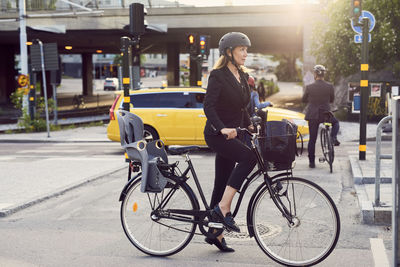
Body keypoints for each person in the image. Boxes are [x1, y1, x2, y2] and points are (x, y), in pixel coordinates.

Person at [203, 32, 257, 252]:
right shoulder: (218, 75)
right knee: (249, 158)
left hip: (235, 132)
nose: (245, 54)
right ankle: (224, 208)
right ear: (229, 52)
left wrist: (250, 124)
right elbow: (209, 106)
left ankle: (215, 234)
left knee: (221, 182)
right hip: (217, 134)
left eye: (246, 50)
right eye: (241, 49)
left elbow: (242, 107)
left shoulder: (242, 76)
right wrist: (221, 128)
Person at [302, 64, 340, 169]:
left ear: (315, 74)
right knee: (336, 123)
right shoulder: (329, 86)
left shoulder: (309, 87)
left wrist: (311, 100)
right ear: (324, 74)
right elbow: (331, 100)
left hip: (313, 115)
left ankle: (311, 162)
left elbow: (303, 100)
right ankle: (332, 138)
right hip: (325, 115)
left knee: (312, 139)